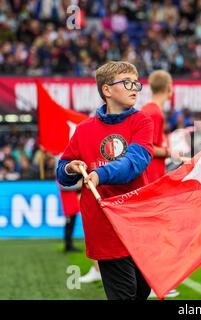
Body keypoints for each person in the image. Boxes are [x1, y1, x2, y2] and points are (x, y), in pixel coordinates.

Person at [56, 61, 155, 300]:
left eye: (136, 83)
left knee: (142, 290)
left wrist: (100, 174)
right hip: (104, 222)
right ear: (107, 90)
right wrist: (70, 167)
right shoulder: (83, 130)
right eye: (127, 83)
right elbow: (62, 172)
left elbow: (135, 163)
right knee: (124, 294)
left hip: (136, 219)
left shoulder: (142, 122)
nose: (135, 88)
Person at [141, 70, 180, 299]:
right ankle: (156, 284)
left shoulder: (150, 111)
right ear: (169, 87)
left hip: (152, 177)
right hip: (151, 179)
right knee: (156, 232)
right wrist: (169, 152)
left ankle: (155, 283)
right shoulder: (154, 112)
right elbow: (148, 147)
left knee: (156, 231)